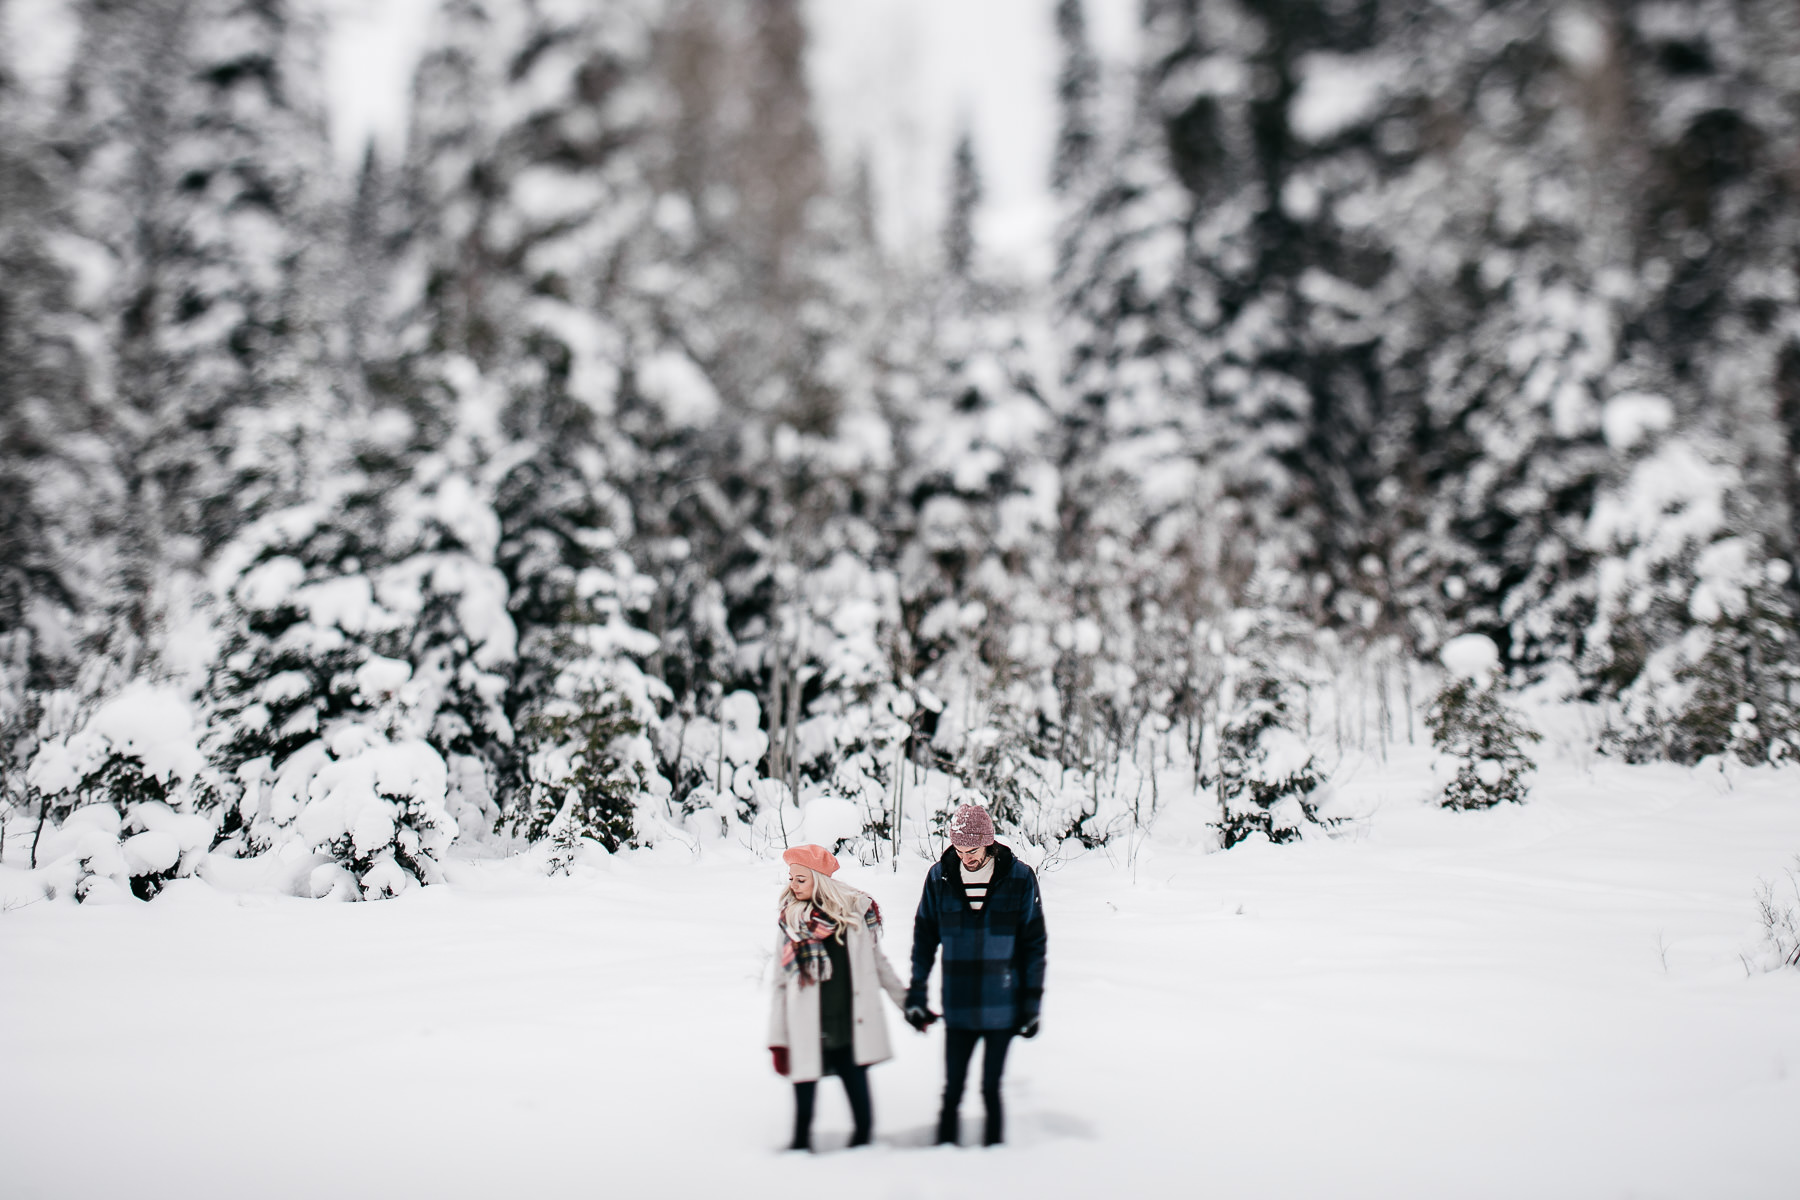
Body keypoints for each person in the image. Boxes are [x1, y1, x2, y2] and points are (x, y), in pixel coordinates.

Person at [907, 802, 1047, 1147]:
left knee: (990, 1089)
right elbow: (925, 938)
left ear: (988, 842)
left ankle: (994, 1161)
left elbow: (1034, 945)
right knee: (952, 1089)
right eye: (958, 849)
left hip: (1003, 1004)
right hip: (958, 1003)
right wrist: (917, 991)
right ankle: (943, 1154)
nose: (965, 857)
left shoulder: (1019, 878)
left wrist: (1031, 1002)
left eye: (971, 850)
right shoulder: (940, 877)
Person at [767, 843, 910, 1151]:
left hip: (848, 1027)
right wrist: (778, 1040)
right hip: (807, 1027)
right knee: (804, 1106)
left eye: (800, 879)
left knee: (858, 1099)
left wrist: (908, 1005)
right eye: (791, 878)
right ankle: (797, 1156)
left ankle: (863, 1153)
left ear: (819, 880)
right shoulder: (791, 922)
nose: (793, 885)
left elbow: (878, 964)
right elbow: (779, 983)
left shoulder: (854, 917)